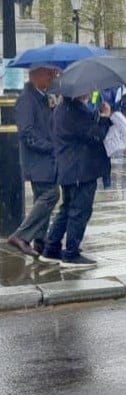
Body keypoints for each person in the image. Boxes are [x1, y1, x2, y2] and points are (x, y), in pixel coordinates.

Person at [43, 92, 112, 267]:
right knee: (80, 211)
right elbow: (94, 135)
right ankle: (71, 253)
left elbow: (80, 132)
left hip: (68, 168)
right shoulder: (75, 110)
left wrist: (96, 116)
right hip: (80, 169)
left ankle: (51, 248)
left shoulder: (62, 109)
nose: (89, 92)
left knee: (67, 209)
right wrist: (104, 118)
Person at [9, 66, 60, 259]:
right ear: (35, 75)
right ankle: (21, 236)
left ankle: (41, 242)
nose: (52, 76)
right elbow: (27, 133)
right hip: (37, 158)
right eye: (49, 73)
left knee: (43, 198)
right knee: (51, 194)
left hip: (46, 158)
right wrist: (50, 146)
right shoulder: (26, 99)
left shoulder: (43, 97)